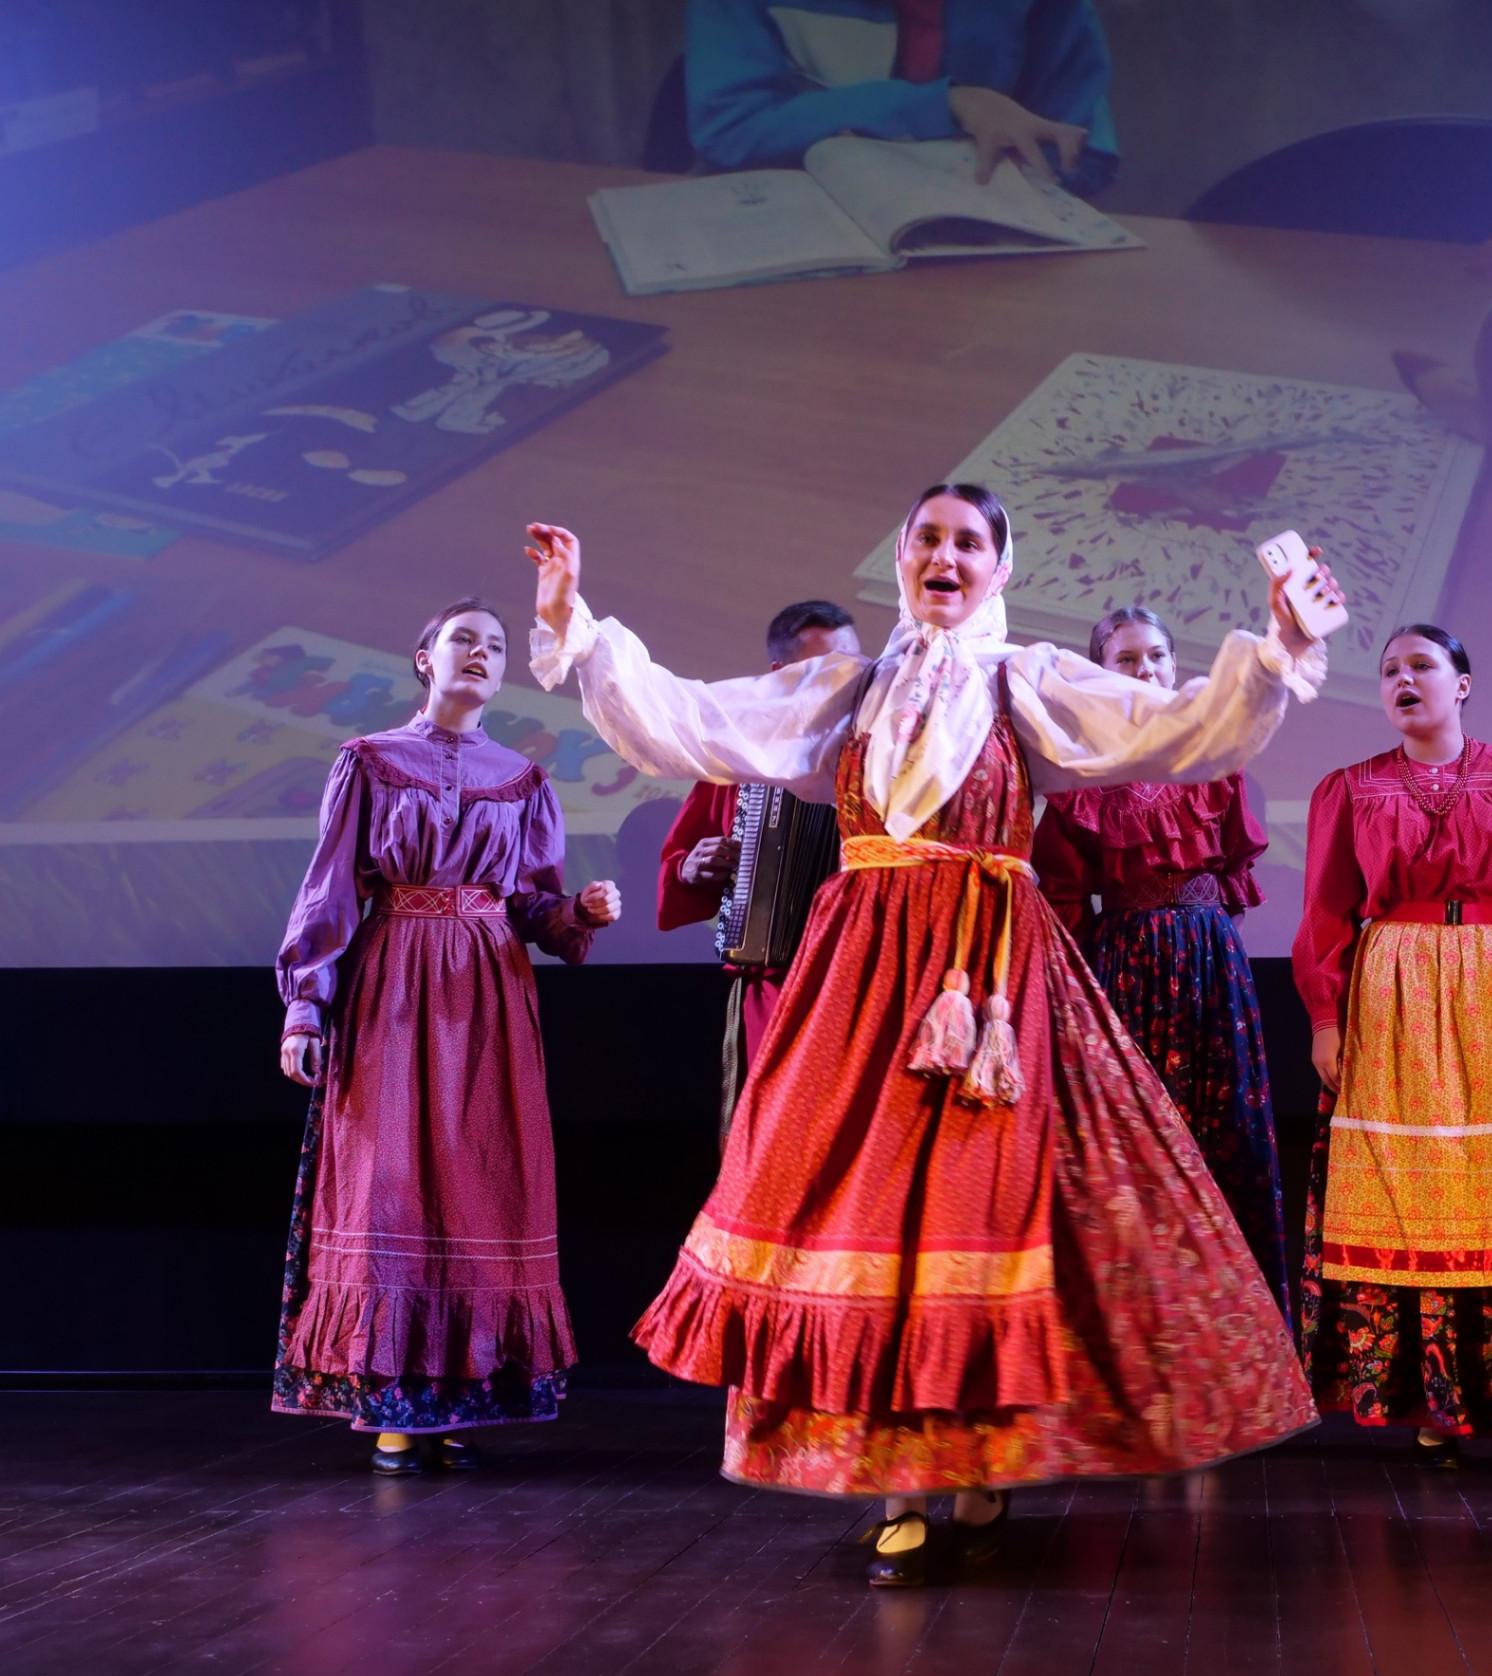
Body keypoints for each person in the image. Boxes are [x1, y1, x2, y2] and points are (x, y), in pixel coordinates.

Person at [526, 484, 1333, 1586]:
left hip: (985, 980)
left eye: (967, 543)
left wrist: (1277, 647)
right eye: (927, 539)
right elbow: (694, 719)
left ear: (1001, 569)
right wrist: (578, 628)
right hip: (861, 976)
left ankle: (980, 1460)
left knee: (976, 1213)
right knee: (858, 1211)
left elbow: (1174, 726)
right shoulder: (848, 688)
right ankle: (898, 1482)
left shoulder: (1027, 682)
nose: (944, 556)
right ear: (902, 559)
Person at [273, 599, 621, 1473]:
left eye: (495, 646)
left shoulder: (523, 778)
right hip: (394, 982)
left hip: (489, 995)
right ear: (425, 657)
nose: (481, 653)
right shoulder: (370, 761)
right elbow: (330, 890)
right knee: (389, 1184)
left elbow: (533, 905)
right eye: (464, 639)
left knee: (481, 1188)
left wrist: (578, 912)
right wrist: (306, 1006)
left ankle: (467, 1396)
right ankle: (395, 1403)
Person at [1292, 624, 1492, 1480]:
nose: (1404, 679)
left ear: (1462, 683)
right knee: (1409, 1201)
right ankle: (1438, 1404)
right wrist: (1325, 1019)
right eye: (1389, 669)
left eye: (1422, 665)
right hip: (1389, 989)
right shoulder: (1349, 788)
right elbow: (1324, 912)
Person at [1030, 606, 1288, 1318]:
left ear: (1175, 666)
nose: (1144, 670)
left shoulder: (1214, 759)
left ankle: (1233, 1318)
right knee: (1134, 1138)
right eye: (1126, 659)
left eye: (1156, 657)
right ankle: (1140, 1320)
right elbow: (1061, 895)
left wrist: (1204, 942)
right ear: (1099, 674)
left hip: (1209, 962)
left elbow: (1234, 871)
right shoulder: (1082, 772)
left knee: (1224, 1129)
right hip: (1126, 965)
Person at [656, 600, 861, 1134]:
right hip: (772, 981)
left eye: (853, 666)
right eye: (823, 669)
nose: (843, 681)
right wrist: (693, 868)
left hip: (863, 981)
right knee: (771, 1136)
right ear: (778, 675)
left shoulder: (882, 756)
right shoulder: (742, 757)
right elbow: (680, 860)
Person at [686, 0, 1119, 195]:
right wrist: (948, 104)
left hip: (978, 264)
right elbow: (728, 126)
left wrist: (1037, 175)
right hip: (795, 236)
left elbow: (1082, 150)